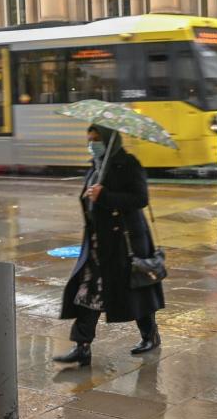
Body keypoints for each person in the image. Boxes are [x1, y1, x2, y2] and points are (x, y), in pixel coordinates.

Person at [54, 125, 164, 366]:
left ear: (110, 140)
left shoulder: (128, 163)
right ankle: (82, 345)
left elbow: (140, 199)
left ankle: (150, 334)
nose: (92, 143)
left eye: (97, 139)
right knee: (88, 291)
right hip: (97, 242)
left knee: (135, 287)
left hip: (123, 241)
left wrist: (103, 196)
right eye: (89, 138)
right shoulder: (96, 164)